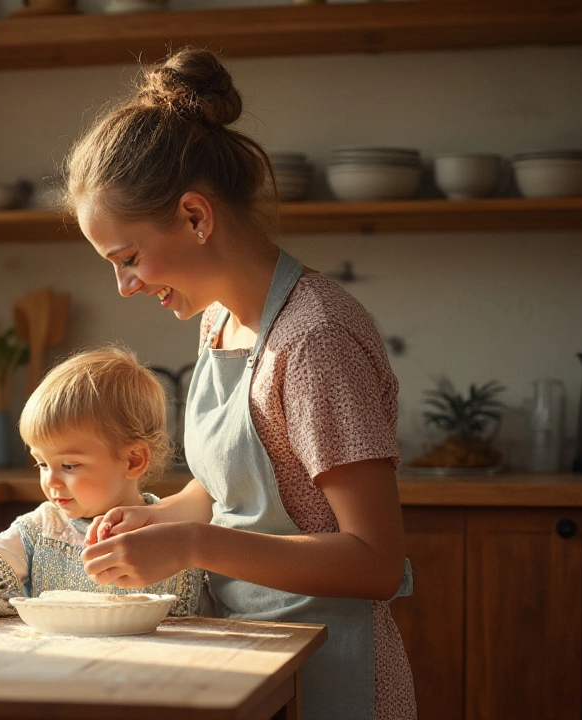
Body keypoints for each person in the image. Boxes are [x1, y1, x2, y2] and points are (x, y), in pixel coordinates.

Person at [67, 49, 416, 719]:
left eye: (129, 258)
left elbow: (375, 561)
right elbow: (241, 488)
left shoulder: (316, 338)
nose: (126, 286)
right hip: (255, 659)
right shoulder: (222, 322)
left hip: (331, 671)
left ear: (197, 218)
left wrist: (192, 545)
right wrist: (159, 520)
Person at [0, 347, 207, 618]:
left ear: (134, 460)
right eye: (41, 463)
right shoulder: (41, 529)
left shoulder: (181, 531)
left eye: (69, 465)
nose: (50, 481)